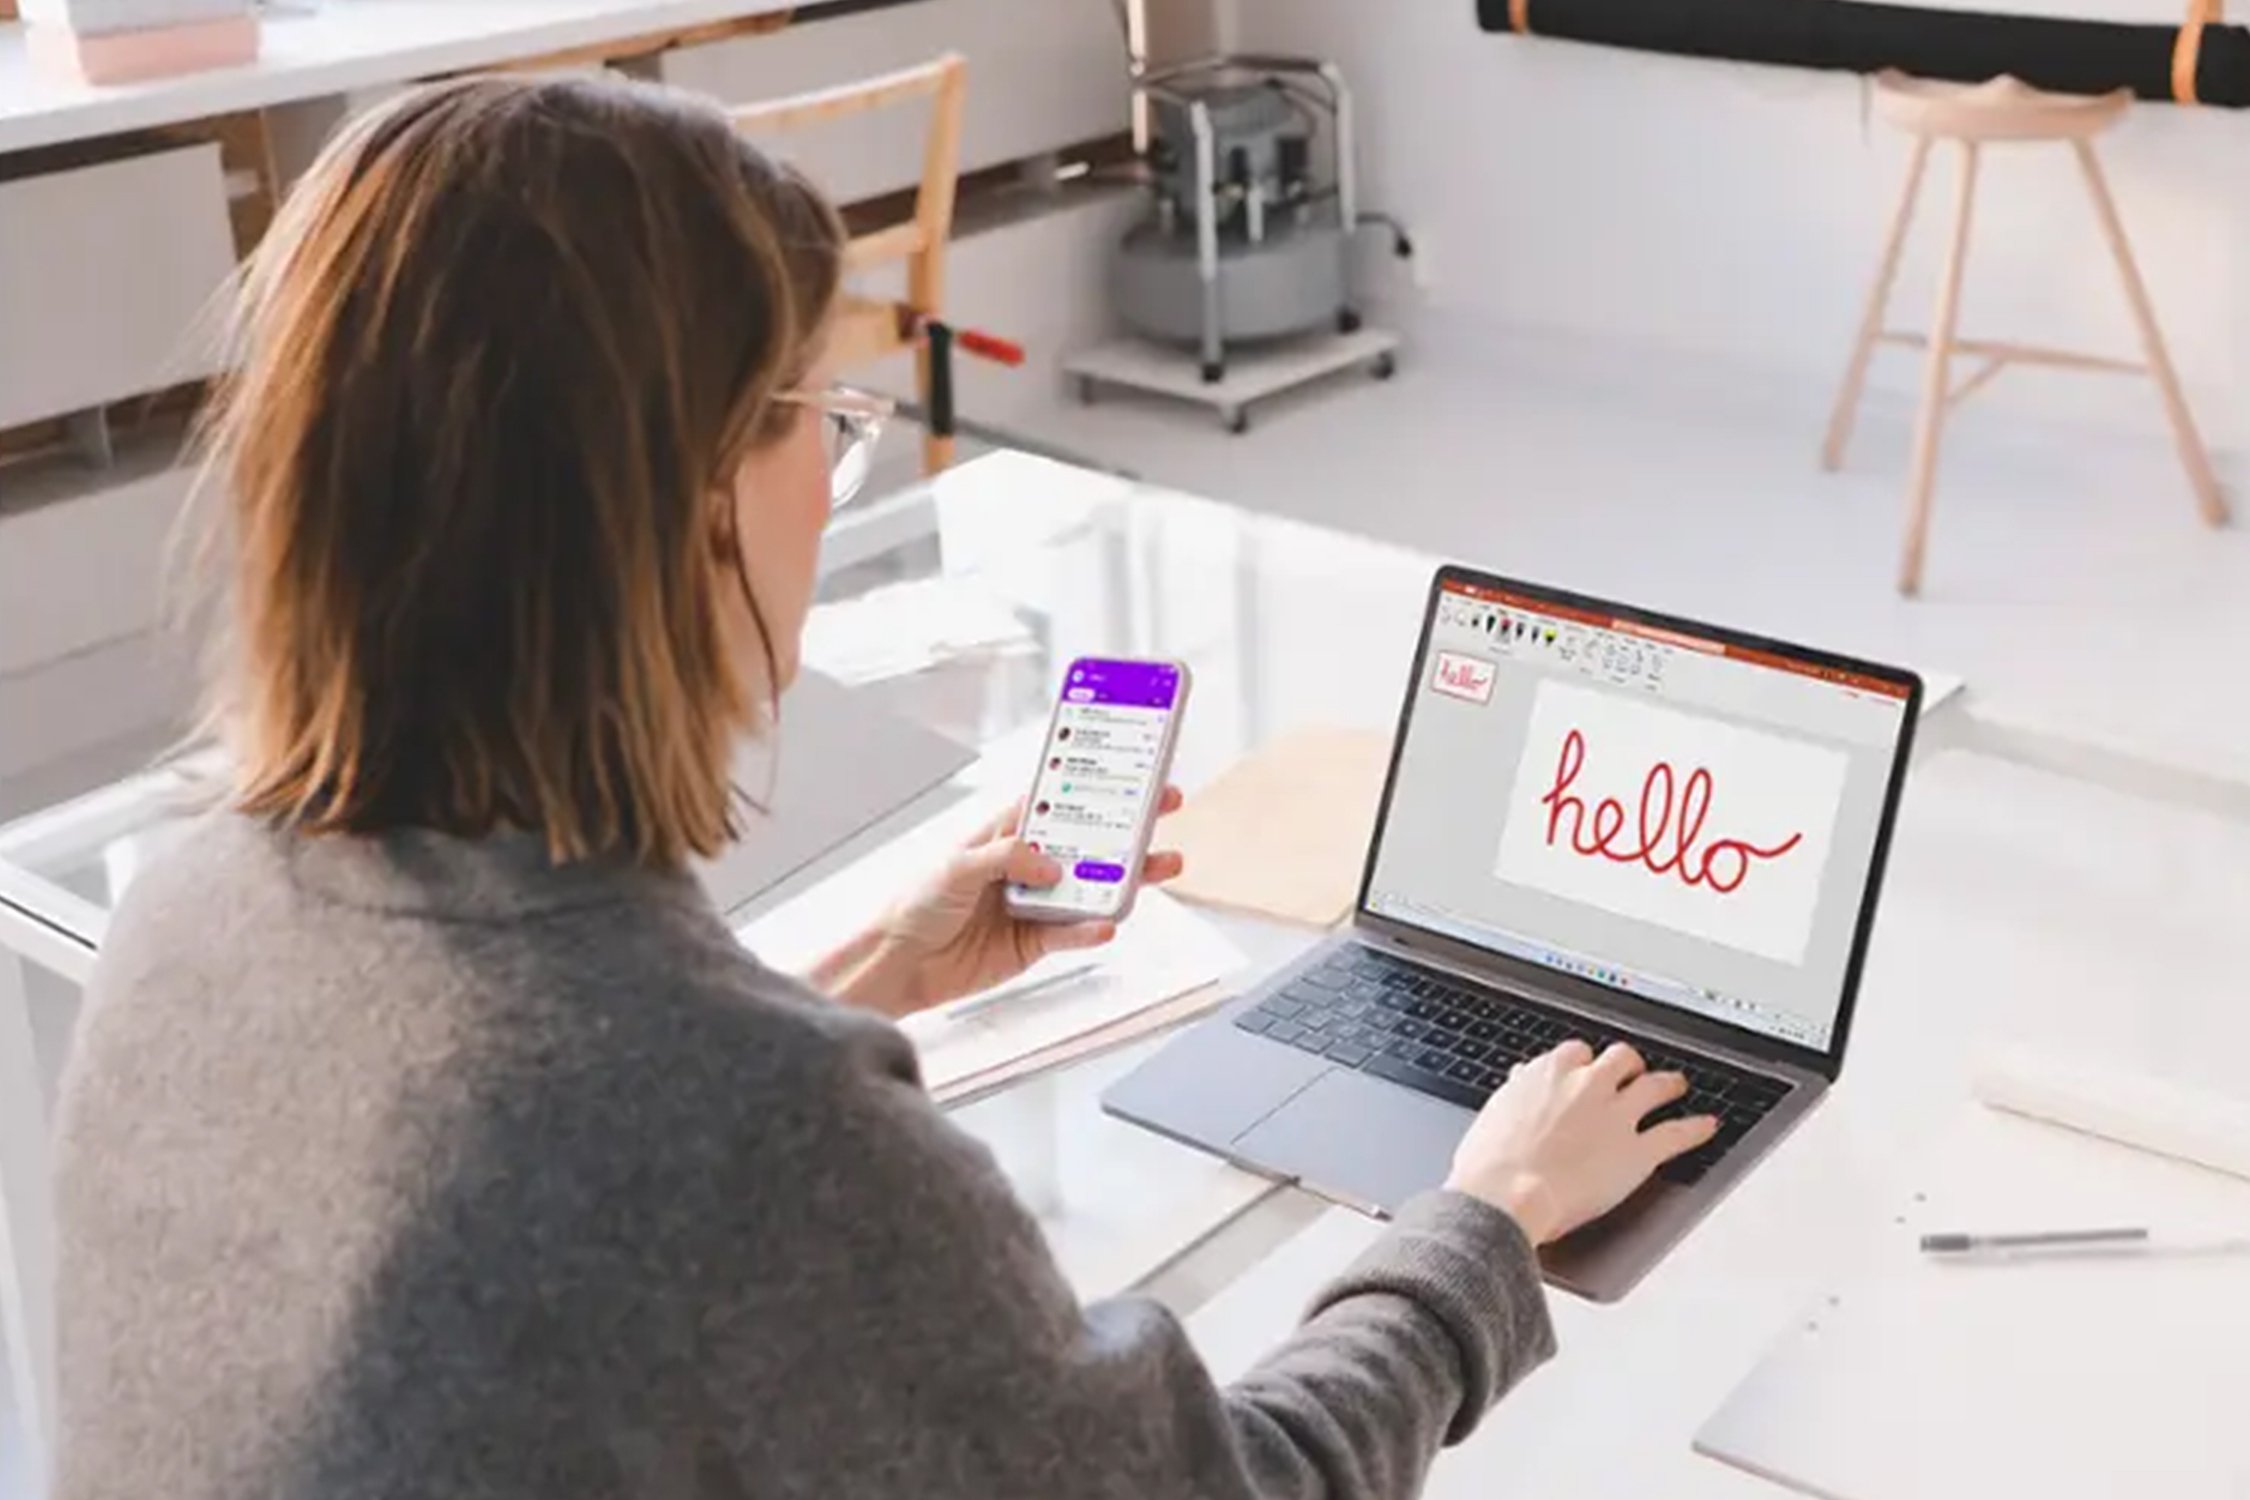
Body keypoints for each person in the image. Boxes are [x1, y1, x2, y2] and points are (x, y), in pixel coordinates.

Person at [53, 75, 1716, 1500]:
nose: (834, 483)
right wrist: (1484, 1216)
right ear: (695, 493)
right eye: (821, 420)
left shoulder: (193, 897)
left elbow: (545, 1184)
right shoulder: (751, 1136)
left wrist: (862, 982)